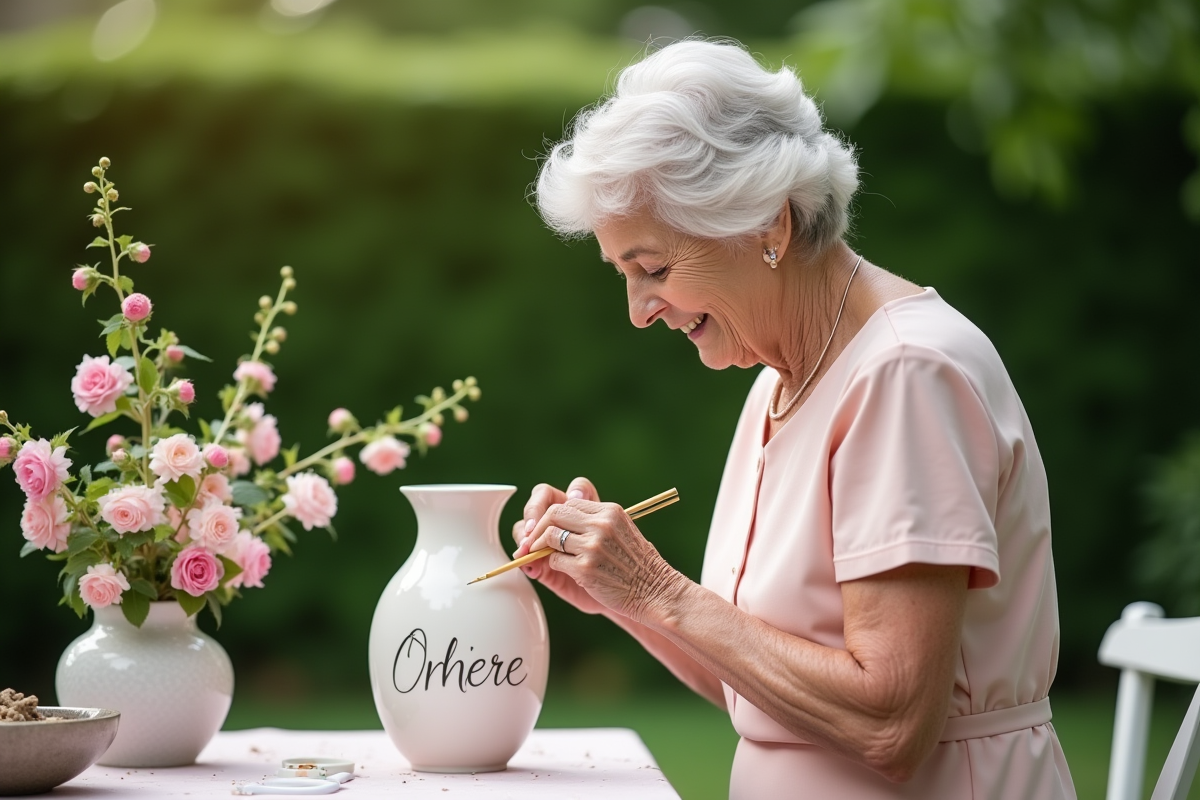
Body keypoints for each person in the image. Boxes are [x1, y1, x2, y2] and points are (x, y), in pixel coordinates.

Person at [512, 39, 1076, 798]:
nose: (639, 313)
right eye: (624, 275)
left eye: (653, 270)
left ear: (768, 228)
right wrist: (623, 597)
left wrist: (659, 592)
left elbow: (891, 723)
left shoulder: (906, 374)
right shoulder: (780, 381)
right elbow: (757, 689)